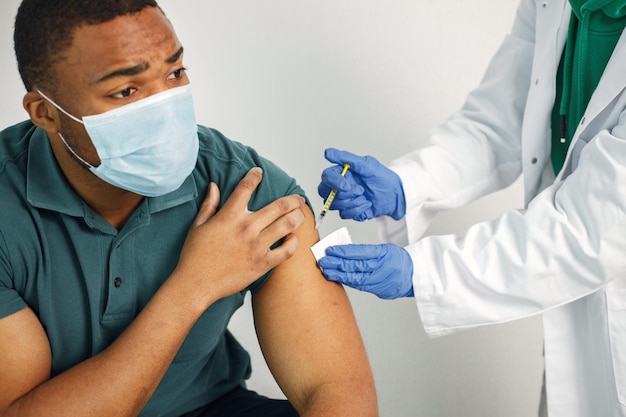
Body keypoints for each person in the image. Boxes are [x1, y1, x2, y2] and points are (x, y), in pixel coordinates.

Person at [0, 1, 379, 416]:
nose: (164, 108)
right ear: (46, 112)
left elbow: (333, 390)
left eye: (174, 73)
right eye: (126, 90)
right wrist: (194, 286)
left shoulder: (241, 186)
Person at [317, 0, 626, 416]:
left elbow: (589, 231)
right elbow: (499, 117)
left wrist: (423, 272)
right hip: (575, 322)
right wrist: (408, 185)